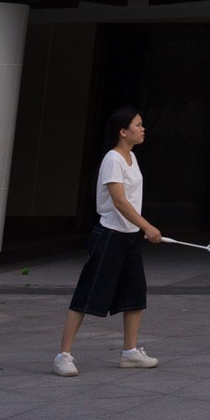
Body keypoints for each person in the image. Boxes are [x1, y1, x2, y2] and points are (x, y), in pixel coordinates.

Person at [56, 106, 163, 375]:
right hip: (109, 236)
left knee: (135, 293)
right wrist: (147, 226)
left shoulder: (131, 157)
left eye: (142, 124)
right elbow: (119, 201)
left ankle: (130, 352)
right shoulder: (113, 159)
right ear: (123, 131)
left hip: (129, 238)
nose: (143, 129)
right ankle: (63, 356)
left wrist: (139, 229)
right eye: (137, 125)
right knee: (87, 294)